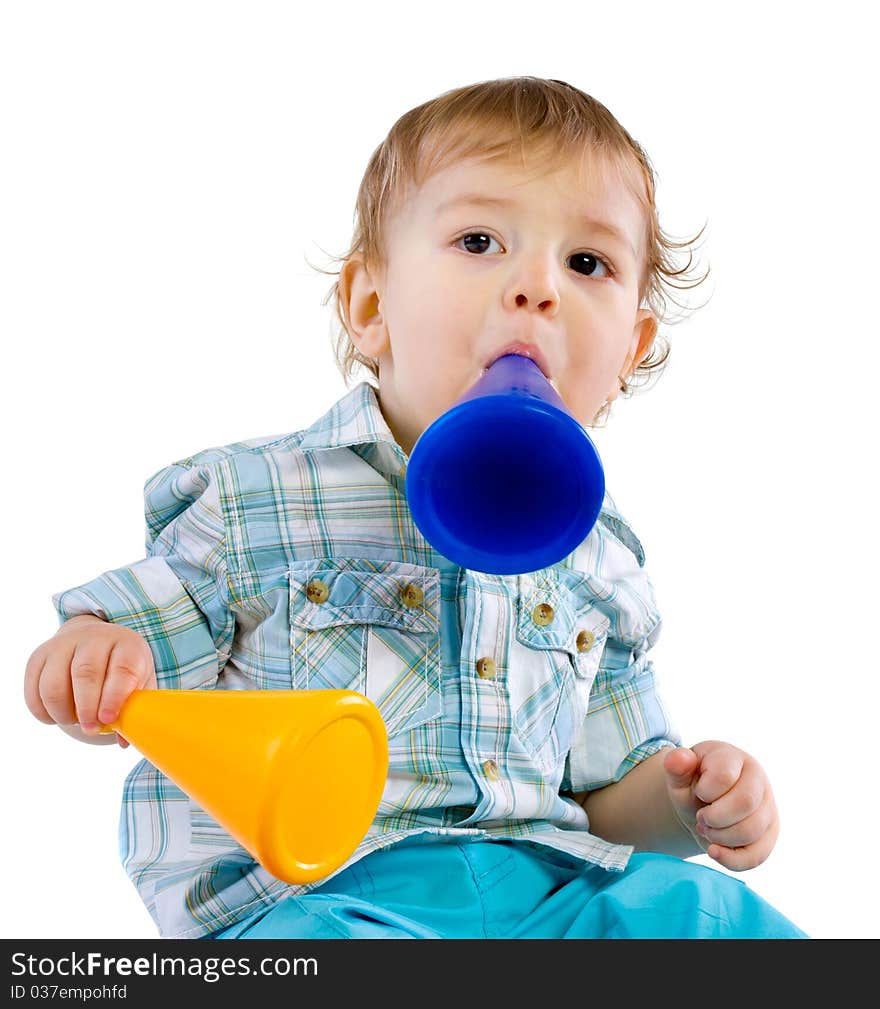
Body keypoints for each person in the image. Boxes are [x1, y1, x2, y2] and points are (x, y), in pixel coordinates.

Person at [23, 76, 807, 940]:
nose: (537, 287)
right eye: (479, 240)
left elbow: (608, 799)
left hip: (545, 892)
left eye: (588, 263)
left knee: (708, 912)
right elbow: (131, 677)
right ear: (369, 306)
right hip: (327, 895)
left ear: (631, 347)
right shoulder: (261, 499)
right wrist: (93, 658)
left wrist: (688, 800)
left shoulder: (604, 555)